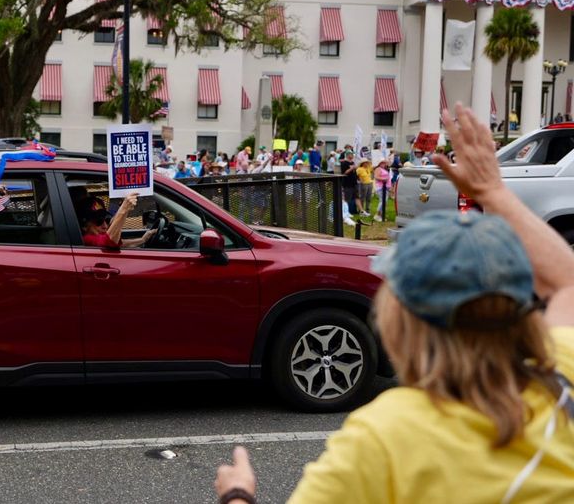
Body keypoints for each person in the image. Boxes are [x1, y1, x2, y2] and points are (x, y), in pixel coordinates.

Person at [214, 103, 574, 503]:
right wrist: (494, 192)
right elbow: (568, 282)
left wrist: (237, 494)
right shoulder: (561, 373)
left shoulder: (387, 437)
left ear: (402, 322)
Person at [76, 193, 156, 248]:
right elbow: (110, 241)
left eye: (106, 220)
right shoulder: (87, 239)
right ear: (84, 226)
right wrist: (124, 208)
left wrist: (142, 240)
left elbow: (119, 243)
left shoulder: (97, 236)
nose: (105, 226)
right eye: (99, 222)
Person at [339, 151, 359, 216]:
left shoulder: (353, 162)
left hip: (354, 183)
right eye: (351, 154)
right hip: (347, 183)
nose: (352, 155)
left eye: (353, 154)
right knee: (348, 197)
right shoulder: (344, 163)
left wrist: (355, 169)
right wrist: (352, 168)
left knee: (354, 197)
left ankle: (354, 211)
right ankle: (347, 211)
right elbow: (344, 173)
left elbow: (354, 172)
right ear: (347, 155)